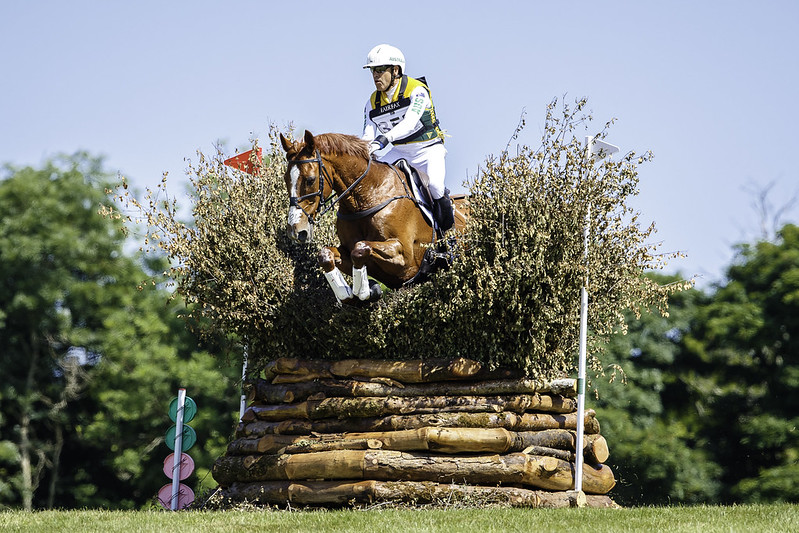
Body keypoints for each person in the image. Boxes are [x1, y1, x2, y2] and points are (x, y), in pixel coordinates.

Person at [360, 44, 455, 233]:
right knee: (369, 179)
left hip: (428, 149)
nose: (376, 76)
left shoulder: (417, 90)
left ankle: (448, 234)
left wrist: (383, 139)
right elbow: (367, 136)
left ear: (395, 70)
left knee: (435, 186)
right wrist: (364, 151)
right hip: (398, 151)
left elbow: (410, 123)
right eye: (373, 71)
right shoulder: (372, 102)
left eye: (380, 70)